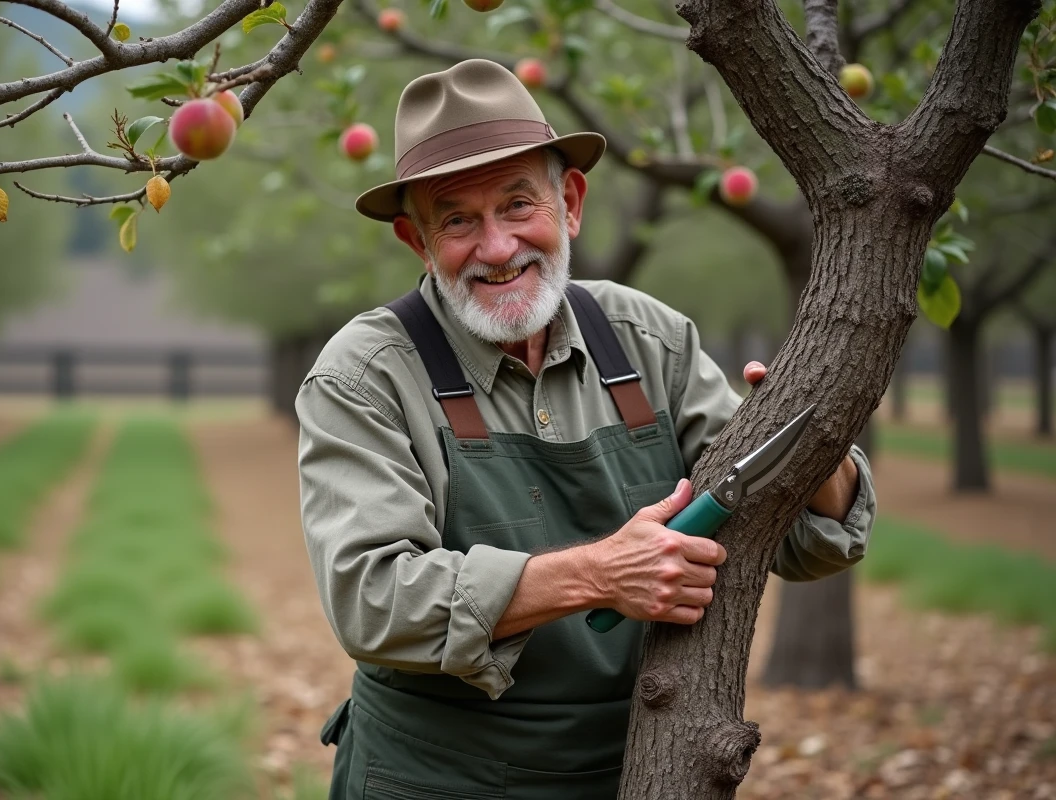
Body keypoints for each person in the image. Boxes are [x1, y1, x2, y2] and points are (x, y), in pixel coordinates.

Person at [296, 59, 876, 800]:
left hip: (632, 776)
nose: (499, 247)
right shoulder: (364, 376)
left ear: (569, 202)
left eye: (517, 204)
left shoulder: (649, 339)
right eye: (458, 220)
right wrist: (600, 574)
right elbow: (372, 599)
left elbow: (796, 542)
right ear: (417, 240)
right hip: (433, 779)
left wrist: (810, 440)